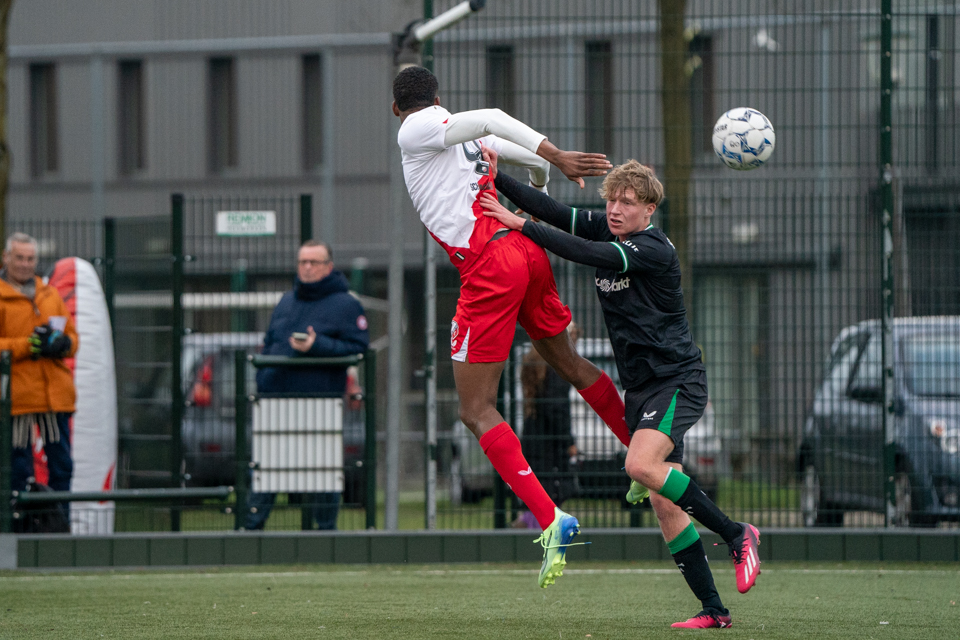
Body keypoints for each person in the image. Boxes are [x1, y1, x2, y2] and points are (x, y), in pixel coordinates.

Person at [480, 154, 760, 628]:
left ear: (649, 209)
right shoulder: (612, 228)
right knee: (664, 504)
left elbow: (587, 253)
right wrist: (494, 176)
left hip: (676, 381)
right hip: (642, 388)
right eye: (611, 199)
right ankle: (715, 611)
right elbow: (558, 212)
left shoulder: (652, 248)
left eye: (627, 202)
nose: (615, 209)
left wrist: (518, 226)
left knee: (639, 465)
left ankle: (737, 534)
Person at [392, 65, 632, 589]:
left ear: (399, 109)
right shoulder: (460, 137)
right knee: (565, 362)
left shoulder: (413, 129)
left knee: (474, 409)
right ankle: (638, 452)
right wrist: (545, 174)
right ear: (441, 97)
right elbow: (500, 140)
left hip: (488, 264)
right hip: (526, 248)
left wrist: (557, 156)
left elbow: (495, 120)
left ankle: (552, 519)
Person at [244, 240, 369, 530]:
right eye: (303, 262)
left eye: (314, 262)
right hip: (274, 402)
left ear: (329, 266)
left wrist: (317, 345)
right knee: (267, 469)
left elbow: (358, 350)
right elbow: (271, 342)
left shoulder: (346, 304)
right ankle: (250, 531)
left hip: (319, 403)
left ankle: (326, 533)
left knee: (322, 471)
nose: (308, 268)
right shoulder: (287, 301)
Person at [0, 232, 77, 531]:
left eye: (30, 258)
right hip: (17, 399)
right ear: (6, 258)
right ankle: (19, 531)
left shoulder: (50, 294)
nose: (24, 263)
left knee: (62, 466)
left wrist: (61, 344)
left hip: (54, 397)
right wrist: (25, 346)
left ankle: (59, 527)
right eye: (19, 257)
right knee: (19, 470)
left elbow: (73, 338)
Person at [512, 323, 581, 529]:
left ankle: (528, 521)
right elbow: (558, 407)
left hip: (533, 431)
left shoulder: (533, 359)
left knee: (536, 483)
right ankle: (535, 525)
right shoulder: (557, 367)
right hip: (551, 438)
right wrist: (568, 441)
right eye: (574, 337)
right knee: (553, 487)